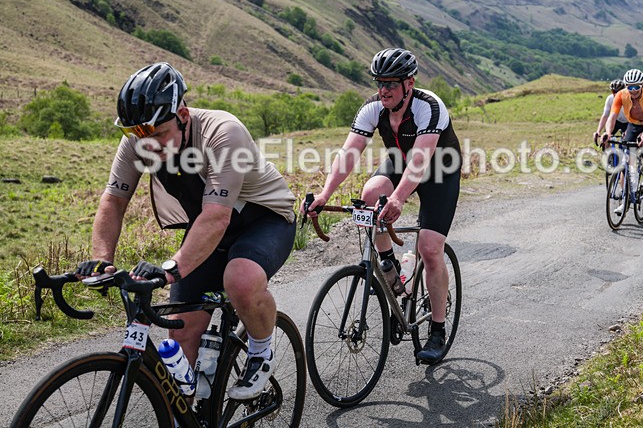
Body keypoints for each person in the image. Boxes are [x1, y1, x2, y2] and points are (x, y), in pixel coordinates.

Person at [75, 62, 297, 401]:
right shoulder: (139, 140)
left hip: (263, 221)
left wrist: (171, 269)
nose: (149, 146)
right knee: (180, 333)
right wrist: (101, 261)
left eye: (159, 135)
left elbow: (217, 217)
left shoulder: (223, 132)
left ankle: (261, 351)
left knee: (240, 279)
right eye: (139, 136)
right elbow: (114, 201)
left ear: (182, 114)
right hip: (207, 229)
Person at [303, 48, 461, 365]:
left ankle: (437, 330)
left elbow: (420, 162)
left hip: (439, 171)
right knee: (371, 193)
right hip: (401, 163)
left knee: (430, 248)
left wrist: (399, 199)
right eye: (379, 83)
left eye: (391, 83)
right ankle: (390, 266)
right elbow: (349, 153)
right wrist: (324, 194)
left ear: (409, 83)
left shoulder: (429, 106)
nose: (384, 90)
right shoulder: (373, 108)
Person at [602, 69, 643, 212]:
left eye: (636, 86)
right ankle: (626, 198)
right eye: (630, 87)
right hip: (634, 124)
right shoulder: (620, 95)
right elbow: (612, 117)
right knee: (627, 159)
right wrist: (608, 133)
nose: (633, 90)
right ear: (626, 86)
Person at [593, 79, 628, 144]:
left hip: (628, 122)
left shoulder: (628, 99)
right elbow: (605, 116)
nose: (616, 94)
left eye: (619, 92)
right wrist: (598, 131)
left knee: (629, 141)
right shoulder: (610, 99)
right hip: (616, 121)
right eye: (614, 91)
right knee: (605, 138)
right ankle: (607, 149)